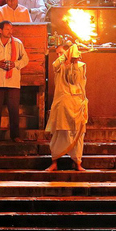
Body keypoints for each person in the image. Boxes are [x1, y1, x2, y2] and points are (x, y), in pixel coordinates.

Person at [0, 20, 29, 142]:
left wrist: (15, 64)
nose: (10, 31)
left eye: (11, 29)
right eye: (7, 29)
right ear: (0, 30)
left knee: (13, 110)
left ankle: (15, 136)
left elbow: (25, 59)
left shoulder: (17, 43)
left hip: (13, 81)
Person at [45, 43, 88, 172]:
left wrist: (73, 63)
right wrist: (65, 58)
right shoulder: (59, 66)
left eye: (61, 53)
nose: (59, 55)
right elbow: (55, 65)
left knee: (77, 134)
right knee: (59, 133)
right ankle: (54, 162)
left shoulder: (80, 66)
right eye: (57, 53)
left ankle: (78, 162)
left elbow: (75, 80)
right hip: (62, 103)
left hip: (76, 103)